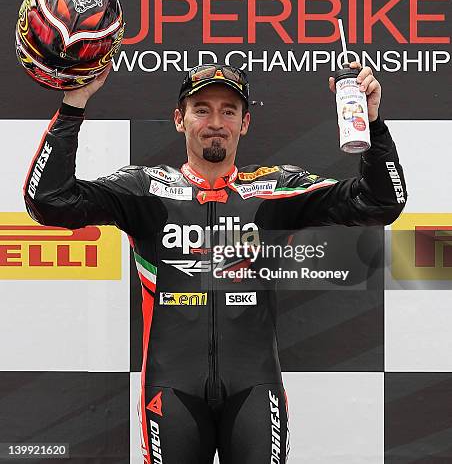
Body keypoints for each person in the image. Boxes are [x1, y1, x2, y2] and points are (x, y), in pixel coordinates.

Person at [24, 63, 407, 464]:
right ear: (179, 119)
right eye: (201, 109)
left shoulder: (276, 188)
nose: (215, 122)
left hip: (255, 389)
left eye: (228, 111)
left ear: (245, 123)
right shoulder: (144, 189)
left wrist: (373, 124)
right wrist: (73, 103)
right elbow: (49, 202)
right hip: (171, 391)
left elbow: (380, 203)